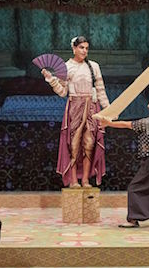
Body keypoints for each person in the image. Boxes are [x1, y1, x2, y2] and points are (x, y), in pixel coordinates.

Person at [101, 64, 149, 228]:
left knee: (135, 188)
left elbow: (126, 124)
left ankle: (134, 219)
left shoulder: (147, 123)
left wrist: (109, 123)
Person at [42, 36, 110, 188]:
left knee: (89, 143)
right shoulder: (66, 67)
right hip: (75, 107)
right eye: (81, 48)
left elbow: (100, 90)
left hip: (92, 107)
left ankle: (85, 179)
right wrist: (51, 79)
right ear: (74, 48)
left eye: (86, 48)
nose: (84, 51)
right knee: (74, 145)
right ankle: (73, 181)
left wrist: (108, 110)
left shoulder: (94, 66)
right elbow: (62, 91)